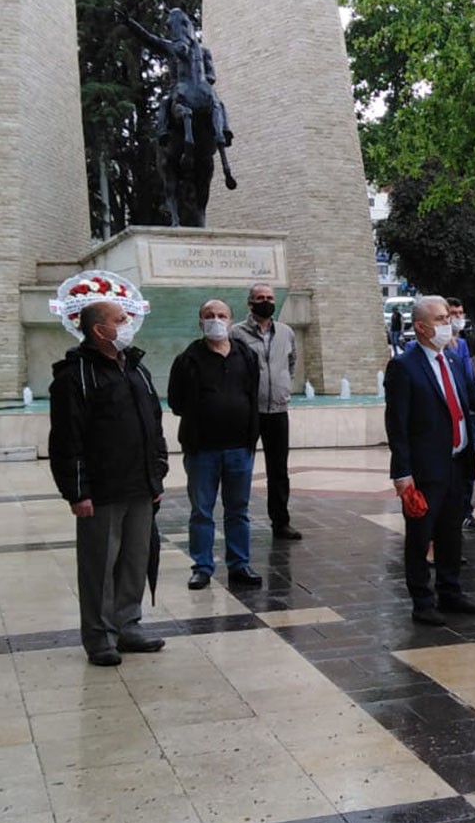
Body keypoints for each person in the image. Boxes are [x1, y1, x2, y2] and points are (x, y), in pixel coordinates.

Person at [384, 296, 475, 624]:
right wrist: (402, 474)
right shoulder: (404, 367)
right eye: (440, 319)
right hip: (425, 470)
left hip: (457, 462)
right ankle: (422, 602)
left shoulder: (451, 360)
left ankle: (450, 592)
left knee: (451, 532)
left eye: (448, 317)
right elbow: (397, 425)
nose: (448, 324)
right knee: (421, 535)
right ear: (422, 327)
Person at [50, 299, 169, 666]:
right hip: (101, 489)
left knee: (135, 559)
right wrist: (77, 490)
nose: (128, 323)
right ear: (99, 330)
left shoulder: (136, 367)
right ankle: (100, 636)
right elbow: (67, 438)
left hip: (140, 484)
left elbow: (153, 420)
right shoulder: (76, 375)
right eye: (120, 319)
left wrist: (158, 470)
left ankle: (128, 624)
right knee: (99, 565)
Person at [168, 299, 263, 591]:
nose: (216, 320)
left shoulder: (245, 355)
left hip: (239, 448)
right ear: (200, 322)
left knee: (238, 509)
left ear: (231, 321)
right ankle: (202, 566)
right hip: (202, 450)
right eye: (209, 316)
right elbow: (176, 402)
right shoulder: (187, 360)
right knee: (202, 511)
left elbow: (252, 394)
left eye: (221, 315)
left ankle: (239, 564)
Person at [232, 281, 301, 540]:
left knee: (279, 470)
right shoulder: (236, 333)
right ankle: (238, 521)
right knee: (240, 467)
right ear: (250, 303)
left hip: (278, 411)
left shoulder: (286, 332)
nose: (266, 301)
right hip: (248, 412)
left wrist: (284, 387)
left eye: (269, 297)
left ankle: (281, 522)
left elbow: (291, 363)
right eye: (260, 298)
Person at [446, 296, 475, 532]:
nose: (457, 318)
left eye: (460, 313)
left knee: (468, 467)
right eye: (452, 313)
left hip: (470, 413)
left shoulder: (467, 343)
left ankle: (465, 511)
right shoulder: (439, 347)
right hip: (450, 417)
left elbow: (474, 378)